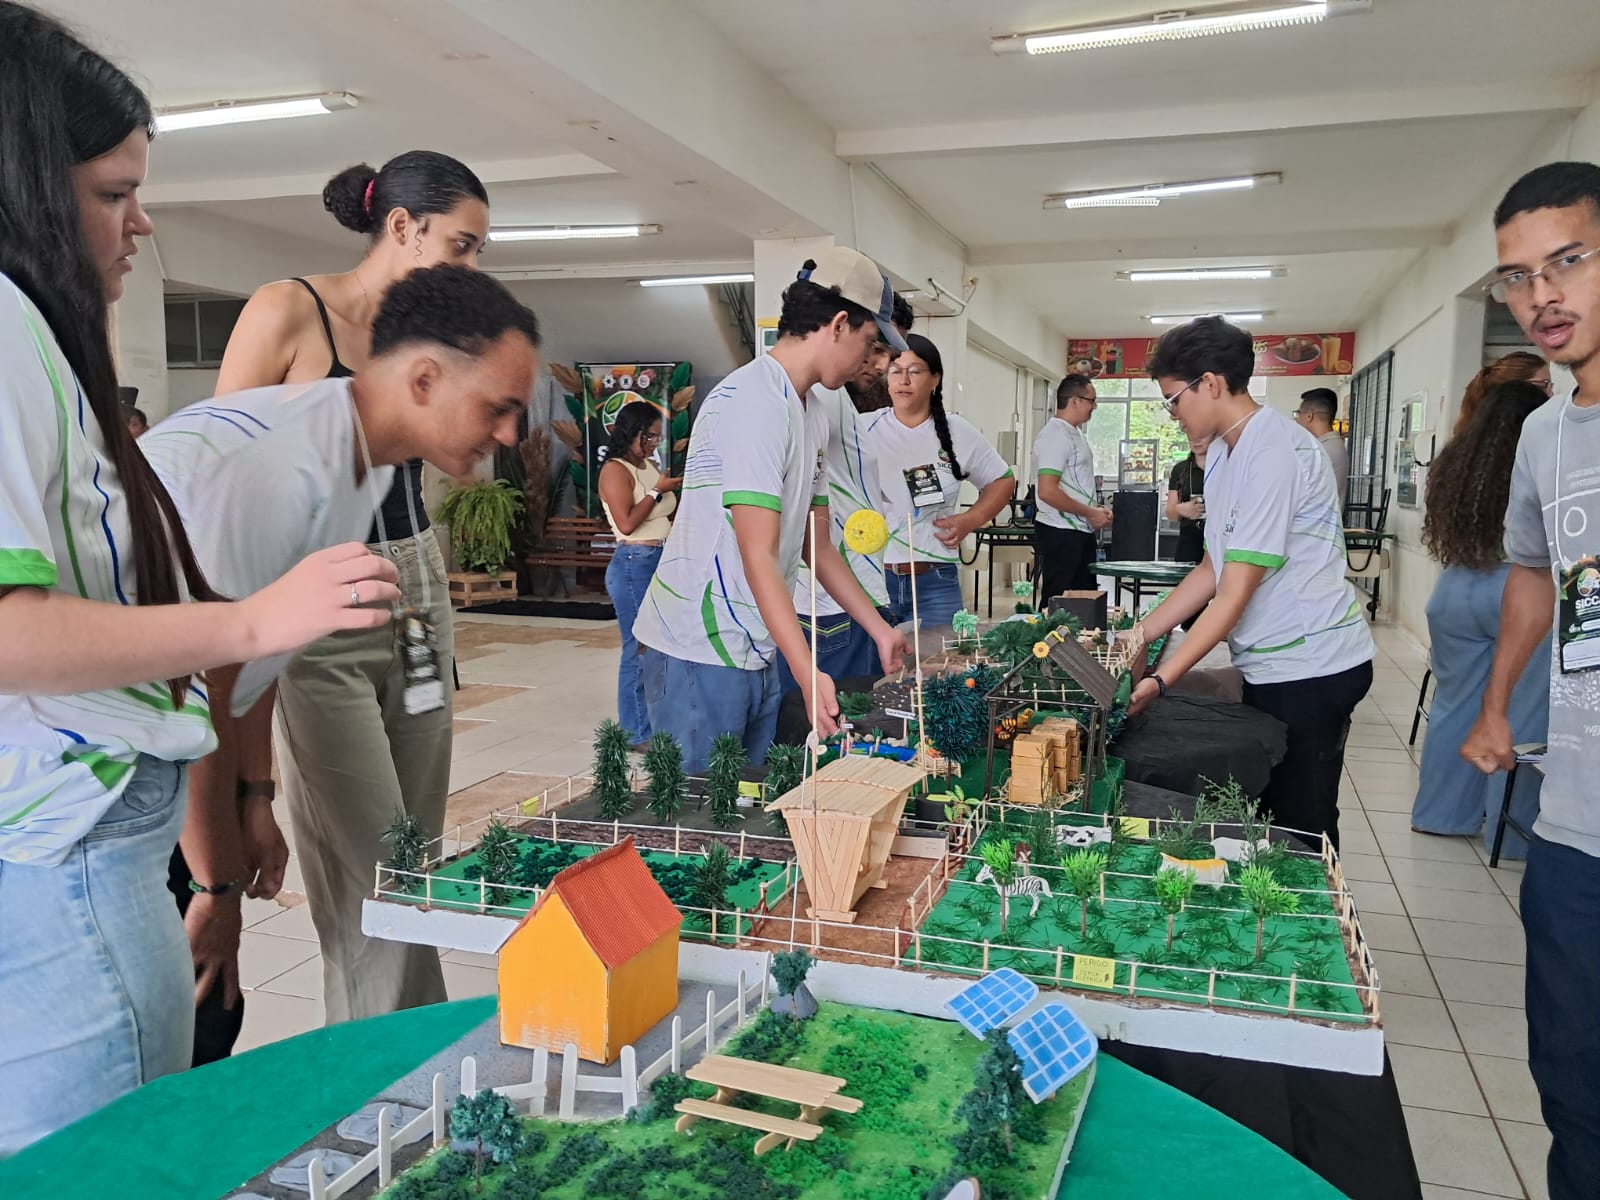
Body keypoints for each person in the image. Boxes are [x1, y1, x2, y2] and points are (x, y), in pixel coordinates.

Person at [0, 1, 401, 1151]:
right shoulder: (11, 326)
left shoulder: (39, 339)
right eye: (112, 195)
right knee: (113, 1163)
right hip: (67, 857)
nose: (142, 224)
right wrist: (250, 620)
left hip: (90, 847)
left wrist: (246, 804)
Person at [168, 151, 490, 1049]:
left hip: (418, 588)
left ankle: (414, 1060)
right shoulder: (288, 310)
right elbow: (216, 482)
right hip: (326, 595)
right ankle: (392, 1065)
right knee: (375, 861)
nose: (470, 270)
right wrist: (250, 781)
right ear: (400, 227)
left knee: (413, 857)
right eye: (460, 247)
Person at [632, 247, 911, 773]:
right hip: (699, 646)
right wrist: (808, 671)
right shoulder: (754, 402)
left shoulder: (808, 410)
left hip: (751, 642)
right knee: (701, 820)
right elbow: (757, 554)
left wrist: (878, 628)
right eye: (869, 344)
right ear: (838, 323)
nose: (869, 363)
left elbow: (817, 543)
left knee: (745, 808)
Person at [1461, 160, 1600, 1200]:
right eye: (1517, 277)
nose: (1540, 297)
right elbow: (1533, 571)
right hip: (1573, 830)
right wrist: (1498, 702)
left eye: (1568, 261)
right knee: (1571, 1091)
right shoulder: (1547, 433)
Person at [1126, 317, 1374, 849]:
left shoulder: (1273, 451)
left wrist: (1163, 679)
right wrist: (1137, 637)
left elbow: (1234, 592)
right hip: (1274, 660)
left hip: (1314, 664)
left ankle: (1317, 923)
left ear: (1211, 383)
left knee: (1302, 822)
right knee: (1268, 814)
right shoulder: (1222, 451)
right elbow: (1213, 568)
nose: (1173, 415)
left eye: (1174, 400)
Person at [1410, 381, 1550, 855]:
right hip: (1522, 590)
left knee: (1455, 706)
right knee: (1522, 714)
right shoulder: (1544, 455)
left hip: (1457, 590)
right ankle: (1508, 838)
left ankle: (1440, 815)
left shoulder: (1457, 461)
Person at [777, 292, 914, 697]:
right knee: (840, 735)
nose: (882, 365)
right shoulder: (819, 395)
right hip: (832, 603)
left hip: (850, 591)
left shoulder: (833, 402)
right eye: (874, 347)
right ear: (841, 329)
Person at [865, 334, 1016, 629]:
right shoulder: (863, 428)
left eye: (915, 371)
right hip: (873, 582)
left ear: (935, 379)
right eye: (896, 371)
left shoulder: (958, 432)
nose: (903, 380)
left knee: (940, 669)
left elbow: (1002, 480)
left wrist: (971, 519)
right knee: (877, 674)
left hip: (936, 582)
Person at [598, 401, 680, 748]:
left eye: (658, 438)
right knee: (639, 648)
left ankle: (657, 722)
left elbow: (667, 512)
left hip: (660, 559)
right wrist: (657, 490)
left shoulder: (648, 466)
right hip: (635, 561)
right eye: (648, 437)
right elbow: (627, 522)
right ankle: (635, 732)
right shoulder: (615, 470)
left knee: (662, 647)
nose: (654, 444)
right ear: (631, 432)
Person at [1032, 374, 1111, 604]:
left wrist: (1096, 510)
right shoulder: (1055, 434)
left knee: (1084, 601)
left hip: (1079, 530)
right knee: (1060, 601)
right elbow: (1047, 491)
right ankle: (1047, 641)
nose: (1094, 407)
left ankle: (1080, 641)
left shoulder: (1075, 433)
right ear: (1075, 400)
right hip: (1061, 530)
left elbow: (1077, 485)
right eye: (1091, 400)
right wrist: (1090, 513)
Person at [1453, 351, 1551, 435]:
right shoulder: (1502, 441)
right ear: (1512, 389)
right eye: (1543, 385)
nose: (1550, 394)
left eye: (1551, 385)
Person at [1294, 387, 1349, 504]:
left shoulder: (1322, 451)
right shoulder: (1333, 445)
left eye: (1298, 413)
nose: (1297, 419)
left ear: (1309, 416)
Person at [1165, 433, 1209, 564]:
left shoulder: (1226, 466)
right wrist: (1181, 509)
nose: (1196, 440)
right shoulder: (1180, 470)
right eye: (1192, 434)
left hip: (1220, 540)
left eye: (1202, 434)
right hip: (1189, 542)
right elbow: (1170, 513)